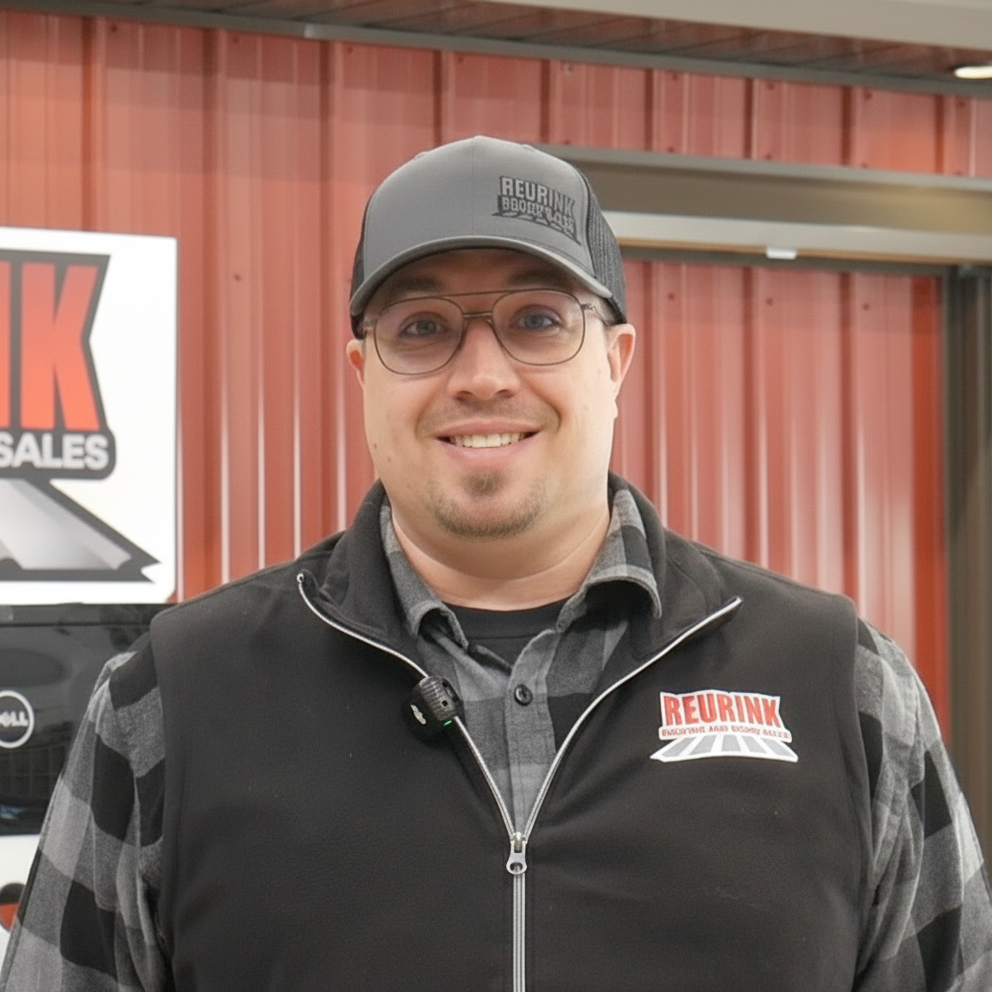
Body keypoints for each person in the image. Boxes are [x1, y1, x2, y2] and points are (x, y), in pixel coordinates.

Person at [2, 135, 990, 992]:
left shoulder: (834, 682)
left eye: (535, 318)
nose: (480, 374)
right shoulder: (174, 697)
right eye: (422, 327)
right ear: (364, 373)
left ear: (614, 359)